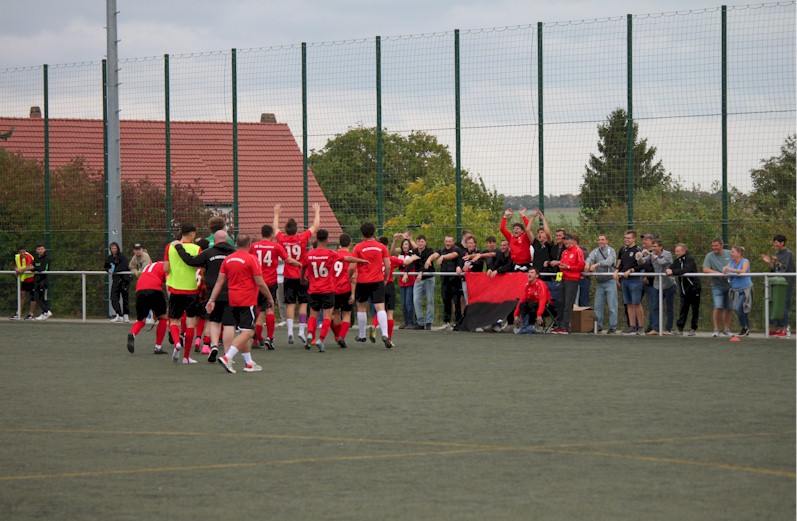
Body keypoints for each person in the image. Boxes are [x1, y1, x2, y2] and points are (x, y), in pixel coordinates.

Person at [207, 235, 275, 373]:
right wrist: (270, 298)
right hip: (247, 300)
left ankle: (249, 363)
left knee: (244, 331)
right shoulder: (252, 259)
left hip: (232, 300)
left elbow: (219, 282)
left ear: (236, 244)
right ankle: (227, 357)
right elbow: (260, 282)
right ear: (249, 244)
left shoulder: (228, 259)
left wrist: (211, 299)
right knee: (249, 332)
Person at [173, 230, 235, 362]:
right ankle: (227, 354)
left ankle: (213, 346)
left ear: (215, 240)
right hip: (230, 291)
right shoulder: (233, 254)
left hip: (213, 292)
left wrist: (179, 247)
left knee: (213, 321)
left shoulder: (209, 253)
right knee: (229, 324)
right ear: (227, 240)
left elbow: (190, 260)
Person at [303, 229, 367, 352]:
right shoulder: (331, 254)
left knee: (316, 314)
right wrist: (361, 261)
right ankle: (325, 338)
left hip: (315, 289)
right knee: (334, 315)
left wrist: (303, 278)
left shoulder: (309, 254)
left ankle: (311, 334)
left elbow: (304, 268)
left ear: (316, 239)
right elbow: (348, 261)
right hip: (331, 289)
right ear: (327, 240)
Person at [274, 202, 320, 345]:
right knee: (303, 303)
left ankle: (289, 331)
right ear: (296, 229)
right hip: (302, 275)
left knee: (290, 303)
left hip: (288, 276)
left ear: (286, 230)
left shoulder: (282, 239)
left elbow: (275, 228)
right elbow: (315, 226)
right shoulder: (302, 238)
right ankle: (300, 330)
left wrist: (276, 213)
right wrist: (316, 212)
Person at [250, 224, 301, 350]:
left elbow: (249, 260)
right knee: (269, 309)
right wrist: (299, 264)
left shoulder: (254, 246)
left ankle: (256, 340)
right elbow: (288, 260)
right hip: (270, 282)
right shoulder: (275, 246)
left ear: (261, 233)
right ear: (272, 234)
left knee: (259, 311)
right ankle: (270, 338)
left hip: (257, 282)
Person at [351, 221, 393, 348]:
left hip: (362, 281)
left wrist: (349, 277)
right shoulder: (381, 247)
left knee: (361, 307)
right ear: (374, 232)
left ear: (362, 233)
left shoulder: (358, 247)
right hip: (377, 280)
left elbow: (352, 267)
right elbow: (388, 265)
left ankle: (362, 335)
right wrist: (385, 278)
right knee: (380, 307)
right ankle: (385, 335)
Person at [164, 223, 202, 364]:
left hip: (175, 288)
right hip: (191, 289)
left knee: (174, 320)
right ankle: (186, 357)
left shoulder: (170, 247)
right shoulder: (197, 248)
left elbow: (166, 268)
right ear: (192, 234)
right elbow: (199, 268)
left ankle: (176, 342)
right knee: (191, 323)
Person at [125, 261, 170, 355]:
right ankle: (158, 347)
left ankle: (132, 333)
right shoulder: (167, 266)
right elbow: (168, 284)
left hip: (140, 290)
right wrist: (171, 298)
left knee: (141, 319)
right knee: (163, 317)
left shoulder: (150, 266)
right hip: (154, 289)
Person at [427, 235, 465, 330]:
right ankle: (446, 322)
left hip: (455, 280)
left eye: (449, 241)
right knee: (446, 300)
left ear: (453, 242)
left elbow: (454, 255)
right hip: (445, 279)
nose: (448, 243)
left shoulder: (457, 249)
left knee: (456, 301)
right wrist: (429, 260)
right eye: (446, 241)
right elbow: (435, 255)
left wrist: (443, 257)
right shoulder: (442, 250)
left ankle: (458, 322)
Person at [761, 234, 795, 337]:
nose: (774, 244)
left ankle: (784, 328)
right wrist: (769, 262)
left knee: (784, 305)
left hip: (786, 283)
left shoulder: (788, 253)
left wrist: (776, 262)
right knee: (775, 305)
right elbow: (774, 269)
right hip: (777, 282)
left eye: (776, 242)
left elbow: (784, 268)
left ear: (782, 243)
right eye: (774, 242)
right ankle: (775, 328)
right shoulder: (776, 253)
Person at [551, 233, 584, 334]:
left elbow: (581, 266)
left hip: (572, 280)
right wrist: (560, 268)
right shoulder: (564, 252)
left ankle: (565, 326)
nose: (565, 241)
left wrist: (568, 267)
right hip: (563, 279)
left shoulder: (578, 251)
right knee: (561, 302)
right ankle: (560, 325)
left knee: (568, 304)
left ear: (572, 240)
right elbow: (562, 265)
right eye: (564, 239)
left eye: (567, 239)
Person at [585, 234, 617, 334]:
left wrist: (597, 264)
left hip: (610, 281)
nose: (600, 241)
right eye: (599, 240)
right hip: (600, 282)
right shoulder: (595, 251)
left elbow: (609, 262)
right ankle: (598, 326)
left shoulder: (611, 251)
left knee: (612, 306)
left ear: (607, 241)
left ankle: (612, 327)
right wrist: (587, 264)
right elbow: (589, 259)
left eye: (602, 240)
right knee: (597, 306)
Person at [667, 243, 701, 336]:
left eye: (678, 251)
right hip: (684, 289)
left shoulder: (689, 259)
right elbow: (671, 267)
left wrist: (673, 271)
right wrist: (668, 270)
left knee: (695, 309)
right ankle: (680, 328)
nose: (676, 253)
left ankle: (693, 328)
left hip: (694, 288)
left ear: (684, 251)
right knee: (683, 308)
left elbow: (686, 270)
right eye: (675, 251)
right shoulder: (678, 260)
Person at [643, 239, 676, 335]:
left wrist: (650, 254)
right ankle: (655, 328)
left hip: (669, 284)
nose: (653, 248)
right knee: (655, 306)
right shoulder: (652, 254)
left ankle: (668, 329)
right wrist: (639, 257)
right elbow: (643, 262)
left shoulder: (667, 254)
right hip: (657, 285)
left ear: (660, 247)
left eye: (655, 246)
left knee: (669, 307)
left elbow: (661, 262)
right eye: (652, 247)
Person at [702, 238, 733, 337]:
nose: (714, 248)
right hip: (717, 286)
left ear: (722, 245)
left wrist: (729, 272)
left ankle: (726, 329)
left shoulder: (730, 253)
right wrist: (718, 273)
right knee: (718, 306)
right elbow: (705, 269)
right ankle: (716, 329)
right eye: (713, 246)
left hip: (730, 286)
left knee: (729, 308)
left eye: (716, 245)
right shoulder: (709, 256)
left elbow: (738, 264)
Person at [615, 230, 643, 335]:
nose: (626, 240)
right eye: (625, 238)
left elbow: (642, 264)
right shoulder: (623, 249)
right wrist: (617, 271)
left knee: (636, 303)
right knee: (628, 303)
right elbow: (620, 263)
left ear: (634, 239)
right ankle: (632, 326)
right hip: (625, 280)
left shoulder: (638, 249)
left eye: (629, 238)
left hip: (635, 280)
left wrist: (631, 270)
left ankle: (641, 327)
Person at [332, 233, 356, 348]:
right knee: (347, 313)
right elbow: (354, 277)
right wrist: (353, 293)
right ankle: (342, 336)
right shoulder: (352, 257)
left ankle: (337, 336)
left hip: (333, 289)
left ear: (339, 243)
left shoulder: (333, 255)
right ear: (350, 243)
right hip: (346, 288)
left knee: (335, 312)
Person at [724, 245, 752, 337]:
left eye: (733, 252)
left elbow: (743, 271)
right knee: (742, 309)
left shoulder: (745, 261)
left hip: (745, 289)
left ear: (739, 253)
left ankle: (744, 327)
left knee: (738, 308)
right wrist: (725, 270)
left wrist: (730, 269)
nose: (731, 254)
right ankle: (746, 328)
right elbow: (725, 271)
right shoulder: (731, 262)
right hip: (736, 290)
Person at [513, 267, 551, 334]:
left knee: (531, 304)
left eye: (532, 273)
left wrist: (539, 314)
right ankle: (526, 326)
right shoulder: (527, 285)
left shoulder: (540, 284)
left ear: (537, 275)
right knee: (522, 304)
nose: (529, 274)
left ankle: (528, 326)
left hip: (545, 307)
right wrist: (516, 314)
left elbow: (542, 300)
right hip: (532, 306)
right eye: (528, 272)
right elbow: (522, 299)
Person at [410, 234, 435, 330]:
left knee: (430, 300)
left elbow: (426, 265)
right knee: (416, 300)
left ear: (425, 242)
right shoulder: (414, 252)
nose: (420, 243)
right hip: (418, 279)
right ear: (416, 243)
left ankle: (429, 322)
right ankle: (420, 322)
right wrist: (406, 273)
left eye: (422, 241)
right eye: (418, 241)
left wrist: (421, 273)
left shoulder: (429, 251)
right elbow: (410, 263)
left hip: (428, 278)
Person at [104, 242, 131, 323]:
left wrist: (115, 270)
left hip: (124, 280)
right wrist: (108, 270)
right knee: (114, 298)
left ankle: (126, 315)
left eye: (115, 248)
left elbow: (124, 266)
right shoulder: (109, 258)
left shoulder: (122, 257)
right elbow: (106, 266)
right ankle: (119, 315)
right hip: (116, 280)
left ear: (117, 248)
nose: (113, 250)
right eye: (112, 248)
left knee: (125, 297)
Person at [395, 236, 416, 329]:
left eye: (406, 244)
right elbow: (399, 265)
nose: (404, 246)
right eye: (403, 244)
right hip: (402, 281)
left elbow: (409, 264)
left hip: (410, 281)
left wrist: (406, 270)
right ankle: (406, 321)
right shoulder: (400, 255)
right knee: (403, 303)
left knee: (409, 303)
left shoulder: (412, 254)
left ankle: (411, 322)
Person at [10, 245, 36, 320]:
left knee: (33, 297)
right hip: (24, 280)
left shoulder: (29, 257)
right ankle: (18, 313)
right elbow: (14, 265)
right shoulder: (17, 257)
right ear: (18, 252)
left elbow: (31, 267)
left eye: (24, 251)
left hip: (32, 279)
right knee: (22, 296)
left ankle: (30, 314)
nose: (23, 253)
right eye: (21, 252)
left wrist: (21, 270)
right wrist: (16, 269)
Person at [32, 244, 52, 320]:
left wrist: (35, 268)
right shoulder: (36, 258)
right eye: (39, 249)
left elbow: (44, 269)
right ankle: (45, 312)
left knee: (43, 298)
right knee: (37, 297)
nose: (40, 251)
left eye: (41, 249)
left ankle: (46, 311)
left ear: (44, 250)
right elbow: (32, 267)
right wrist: (34, 268)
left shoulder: (47, 258)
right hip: (36, 281)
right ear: (36, 250)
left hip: (43, 281)